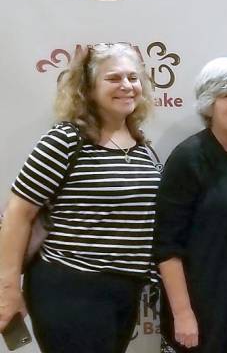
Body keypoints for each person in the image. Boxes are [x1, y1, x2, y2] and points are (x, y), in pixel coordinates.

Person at [0, 43, 160, 353]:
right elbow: (18, 214)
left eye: (133, 77)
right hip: (71, 289)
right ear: (88, 88)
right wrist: (8, 290)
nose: (126, 86)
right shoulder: (66, 139)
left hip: (125, 290)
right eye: (113, 78)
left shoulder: (142, 148)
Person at [153, 58, 227, 353]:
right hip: (202, 306)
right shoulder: (188, 159)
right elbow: (167, 246)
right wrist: (183, 314)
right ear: (209, 103)